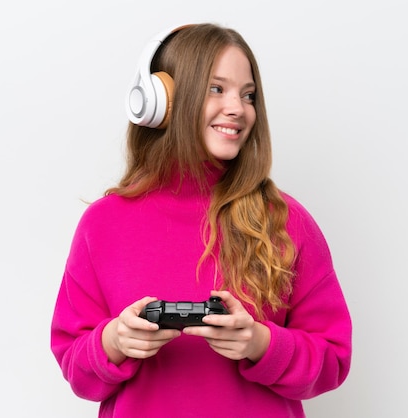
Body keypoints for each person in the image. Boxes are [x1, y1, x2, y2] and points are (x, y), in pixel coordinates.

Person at [51, 23, 352, 417]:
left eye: (248, 95)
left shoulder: (286, 220)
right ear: (165, 101)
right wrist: (113, 341)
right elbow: (76, 368)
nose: (238, 108)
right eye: (217, 89)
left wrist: (261, 344)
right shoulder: (102, 224)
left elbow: (334, 359)